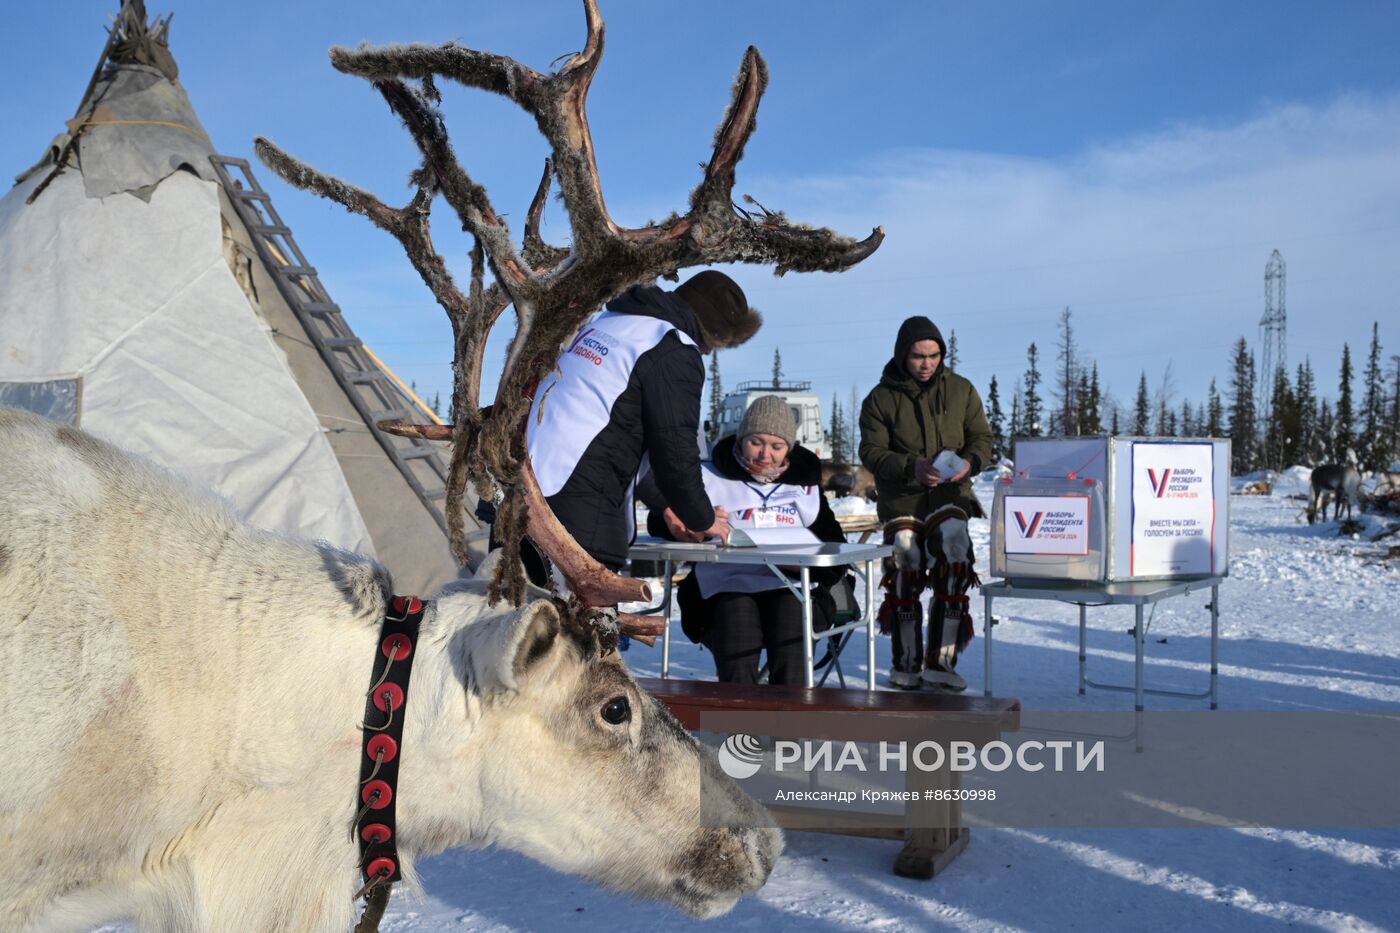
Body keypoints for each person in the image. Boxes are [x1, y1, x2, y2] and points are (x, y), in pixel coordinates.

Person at [524, 270, 761, 580]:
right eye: (715, 341)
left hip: (524, 497)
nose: (709, 351)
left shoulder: (609, 325)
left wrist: (666, 506)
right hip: (573, 523)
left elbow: (608, 434)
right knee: (575, 626)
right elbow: (675, 453)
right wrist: (702, 518)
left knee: (510, 620)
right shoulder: (673, 348)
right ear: (708, 328)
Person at [649, 396, 850, 685]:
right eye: (756, 442)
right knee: (737, 623)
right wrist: (694, 522)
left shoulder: (803, 486)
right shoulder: (710, 477)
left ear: (789, 449)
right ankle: (738, 725)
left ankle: (787, 725)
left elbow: (833, 548)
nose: (765, 455)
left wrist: (808, 567)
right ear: (741, 439)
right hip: (725, 584)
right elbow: (663, 521)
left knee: (792, 622)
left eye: (777, 446)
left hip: (790, 584)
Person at [859, 315, 992, 690]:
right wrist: (910, 467)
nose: (927, 363)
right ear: (903, 354)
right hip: (902, 497)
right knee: (905, 561)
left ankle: (941, 663)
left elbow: (981, 438)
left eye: (934, 355)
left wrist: (971, 463)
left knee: (954, 553)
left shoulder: (962, 391)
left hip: (949, 494)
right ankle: (906, 663)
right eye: (919, 355)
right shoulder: (880, 399)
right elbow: (870, 451)